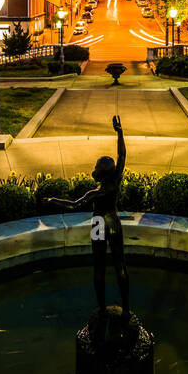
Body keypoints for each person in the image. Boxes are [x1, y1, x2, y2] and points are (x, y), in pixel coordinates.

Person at [46, 115, 129, 317]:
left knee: (99, 267)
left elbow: (74, 204)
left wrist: (53, 200)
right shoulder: (116, 181)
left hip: (99, 223)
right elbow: (122, 156)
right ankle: (126, 309)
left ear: (99, 174)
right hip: (114, 221)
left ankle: (101, 309)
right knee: (120, 265)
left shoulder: (95, 193)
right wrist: (119, 132)